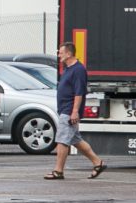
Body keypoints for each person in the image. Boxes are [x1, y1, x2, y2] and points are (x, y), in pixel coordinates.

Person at [45, 42, 107, 180]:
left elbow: (79, 93)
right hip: (64, 110)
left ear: (69, 54)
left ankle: (58, 171)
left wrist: (74, 112)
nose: (58, 55)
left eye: (61, 52)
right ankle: (98, 163)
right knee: (75, 140)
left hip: (69, 110)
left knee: (62, 140)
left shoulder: (78, 70)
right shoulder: (67, 69)